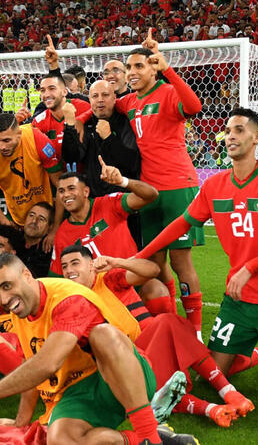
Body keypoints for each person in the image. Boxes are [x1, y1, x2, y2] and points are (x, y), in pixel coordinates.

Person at [137, 108, 258, 393]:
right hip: (238, 301)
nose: (231, 136)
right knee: (212, 375)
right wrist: (139, 257)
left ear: (257, 138)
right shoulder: (214, 184)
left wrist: (250, 268)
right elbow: (180, 225)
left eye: (239, 130)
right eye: (228, 131)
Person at [0, 254, 197, 445]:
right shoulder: (20, 310)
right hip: (76, 390)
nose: (3, 299)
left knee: (103, 334)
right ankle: (149, 441)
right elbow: (30, 367)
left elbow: (47, 364)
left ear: (26, 275)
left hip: (123, 376)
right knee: (60, 439)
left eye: (6, 286)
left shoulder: (68, 297)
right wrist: (20, 422)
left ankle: (148, 434)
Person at [59, 246, 256, 428]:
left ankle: (218, 402)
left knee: (166, 327)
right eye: (64, 266)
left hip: (150, 346)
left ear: (92, 265)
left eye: (75, 263)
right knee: (168, 324)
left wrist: (118, 262)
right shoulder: (69, 303)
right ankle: (223, 398)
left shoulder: (108, 279)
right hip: (126, 362)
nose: (69, 270)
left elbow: (153, 270)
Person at [115, 29, 204, 334]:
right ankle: (171, 319)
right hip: (149, 193)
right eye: (129, 67)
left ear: (153, 68)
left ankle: (195, 330)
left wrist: (168, 69)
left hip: (178, 186)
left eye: (139, 66)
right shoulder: (128, 103)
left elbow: (194, 108)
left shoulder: (166, 92)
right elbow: (98, 107)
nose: (132, 72)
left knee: (181, 262)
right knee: (155, 262)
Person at [51, 165, 156, 276]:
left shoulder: (109, 203)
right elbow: (56, 277)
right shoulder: (62, 235)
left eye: (71, 188)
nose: (66, 195)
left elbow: (151, 195)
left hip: (130, 276)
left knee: (155, 288)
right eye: (61, 191)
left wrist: (123, 182)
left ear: (86, 192)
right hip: (99, 289)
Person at [0, 113, 61, 229]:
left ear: (19, 134)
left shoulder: (36, 139)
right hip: (13, 213)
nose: (2, 146)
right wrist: (3, 220)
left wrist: (56, 226)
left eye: (6, 140)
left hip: (46, 208)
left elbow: (60, 184)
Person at [63, 79, 141, 198]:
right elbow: (72, 157)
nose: (100, 99)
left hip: (123, 199)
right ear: (90, 100)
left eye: (105, 95)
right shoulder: (86, 124)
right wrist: (69, 126)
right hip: (94, 200)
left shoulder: (125, 121)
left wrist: (109, 138)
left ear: (114, 98)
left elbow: (133, 164)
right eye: (95, 96)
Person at [16, 202, 54, 278]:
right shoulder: (12, 240)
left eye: (41, 219)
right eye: (31, 215)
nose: (34, 221)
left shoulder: (50, 252)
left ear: (49, 227)